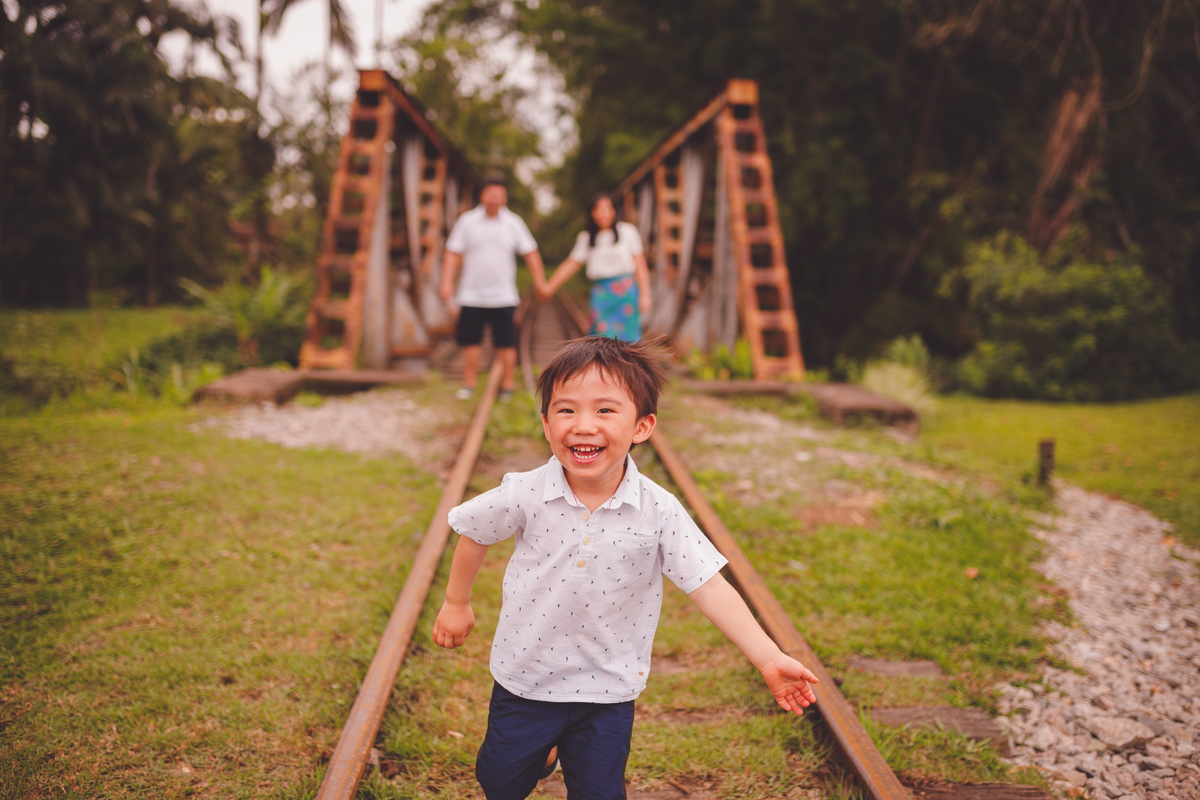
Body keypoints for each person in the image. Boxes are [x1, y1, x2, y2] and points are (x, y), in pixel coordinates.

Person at [432, 336, 819, 800]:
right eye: (566, 410)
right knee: (499, 780)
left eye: (605, 411)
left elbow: (709, 586)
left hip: (607, 688)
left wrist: (769, 657)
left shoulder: (659, 509)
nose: (583, 426)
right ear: (545, 424)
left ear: (642, 426)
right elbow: (474, 529)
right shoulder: (524, 492)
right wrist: (457, 602)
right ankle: (544, 754)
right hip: (526, 676)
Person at [440, 178, 547, 401]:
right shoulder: (467, 221)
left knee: (506, 342)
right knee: (470, 341)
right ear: (482, 195)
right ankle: (469, 383)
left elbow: (531, 252)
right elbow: (452, 252)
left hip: (503, 295)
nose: (495, 197)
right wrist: (446, 282)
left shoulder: (513, 223)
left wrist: (540, 283)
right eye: (491, 192)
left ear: (505, 197)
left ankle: (507, 385)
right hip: (471, 294)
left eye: (500, 193)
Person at [538, 195, 652, 342]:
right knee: (601, 339)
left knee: (627, 341)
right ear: (592, 213)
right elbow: (571, 265)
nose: (603, 213)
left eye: (607, 208)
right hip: (601, 295)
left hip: (625, 294)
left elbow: (640, 266)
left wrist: (645, 295)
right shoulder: (586, 238)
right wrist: (550, 287)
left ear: (613, 211)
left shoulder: (628, 232)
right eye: (599, 209)